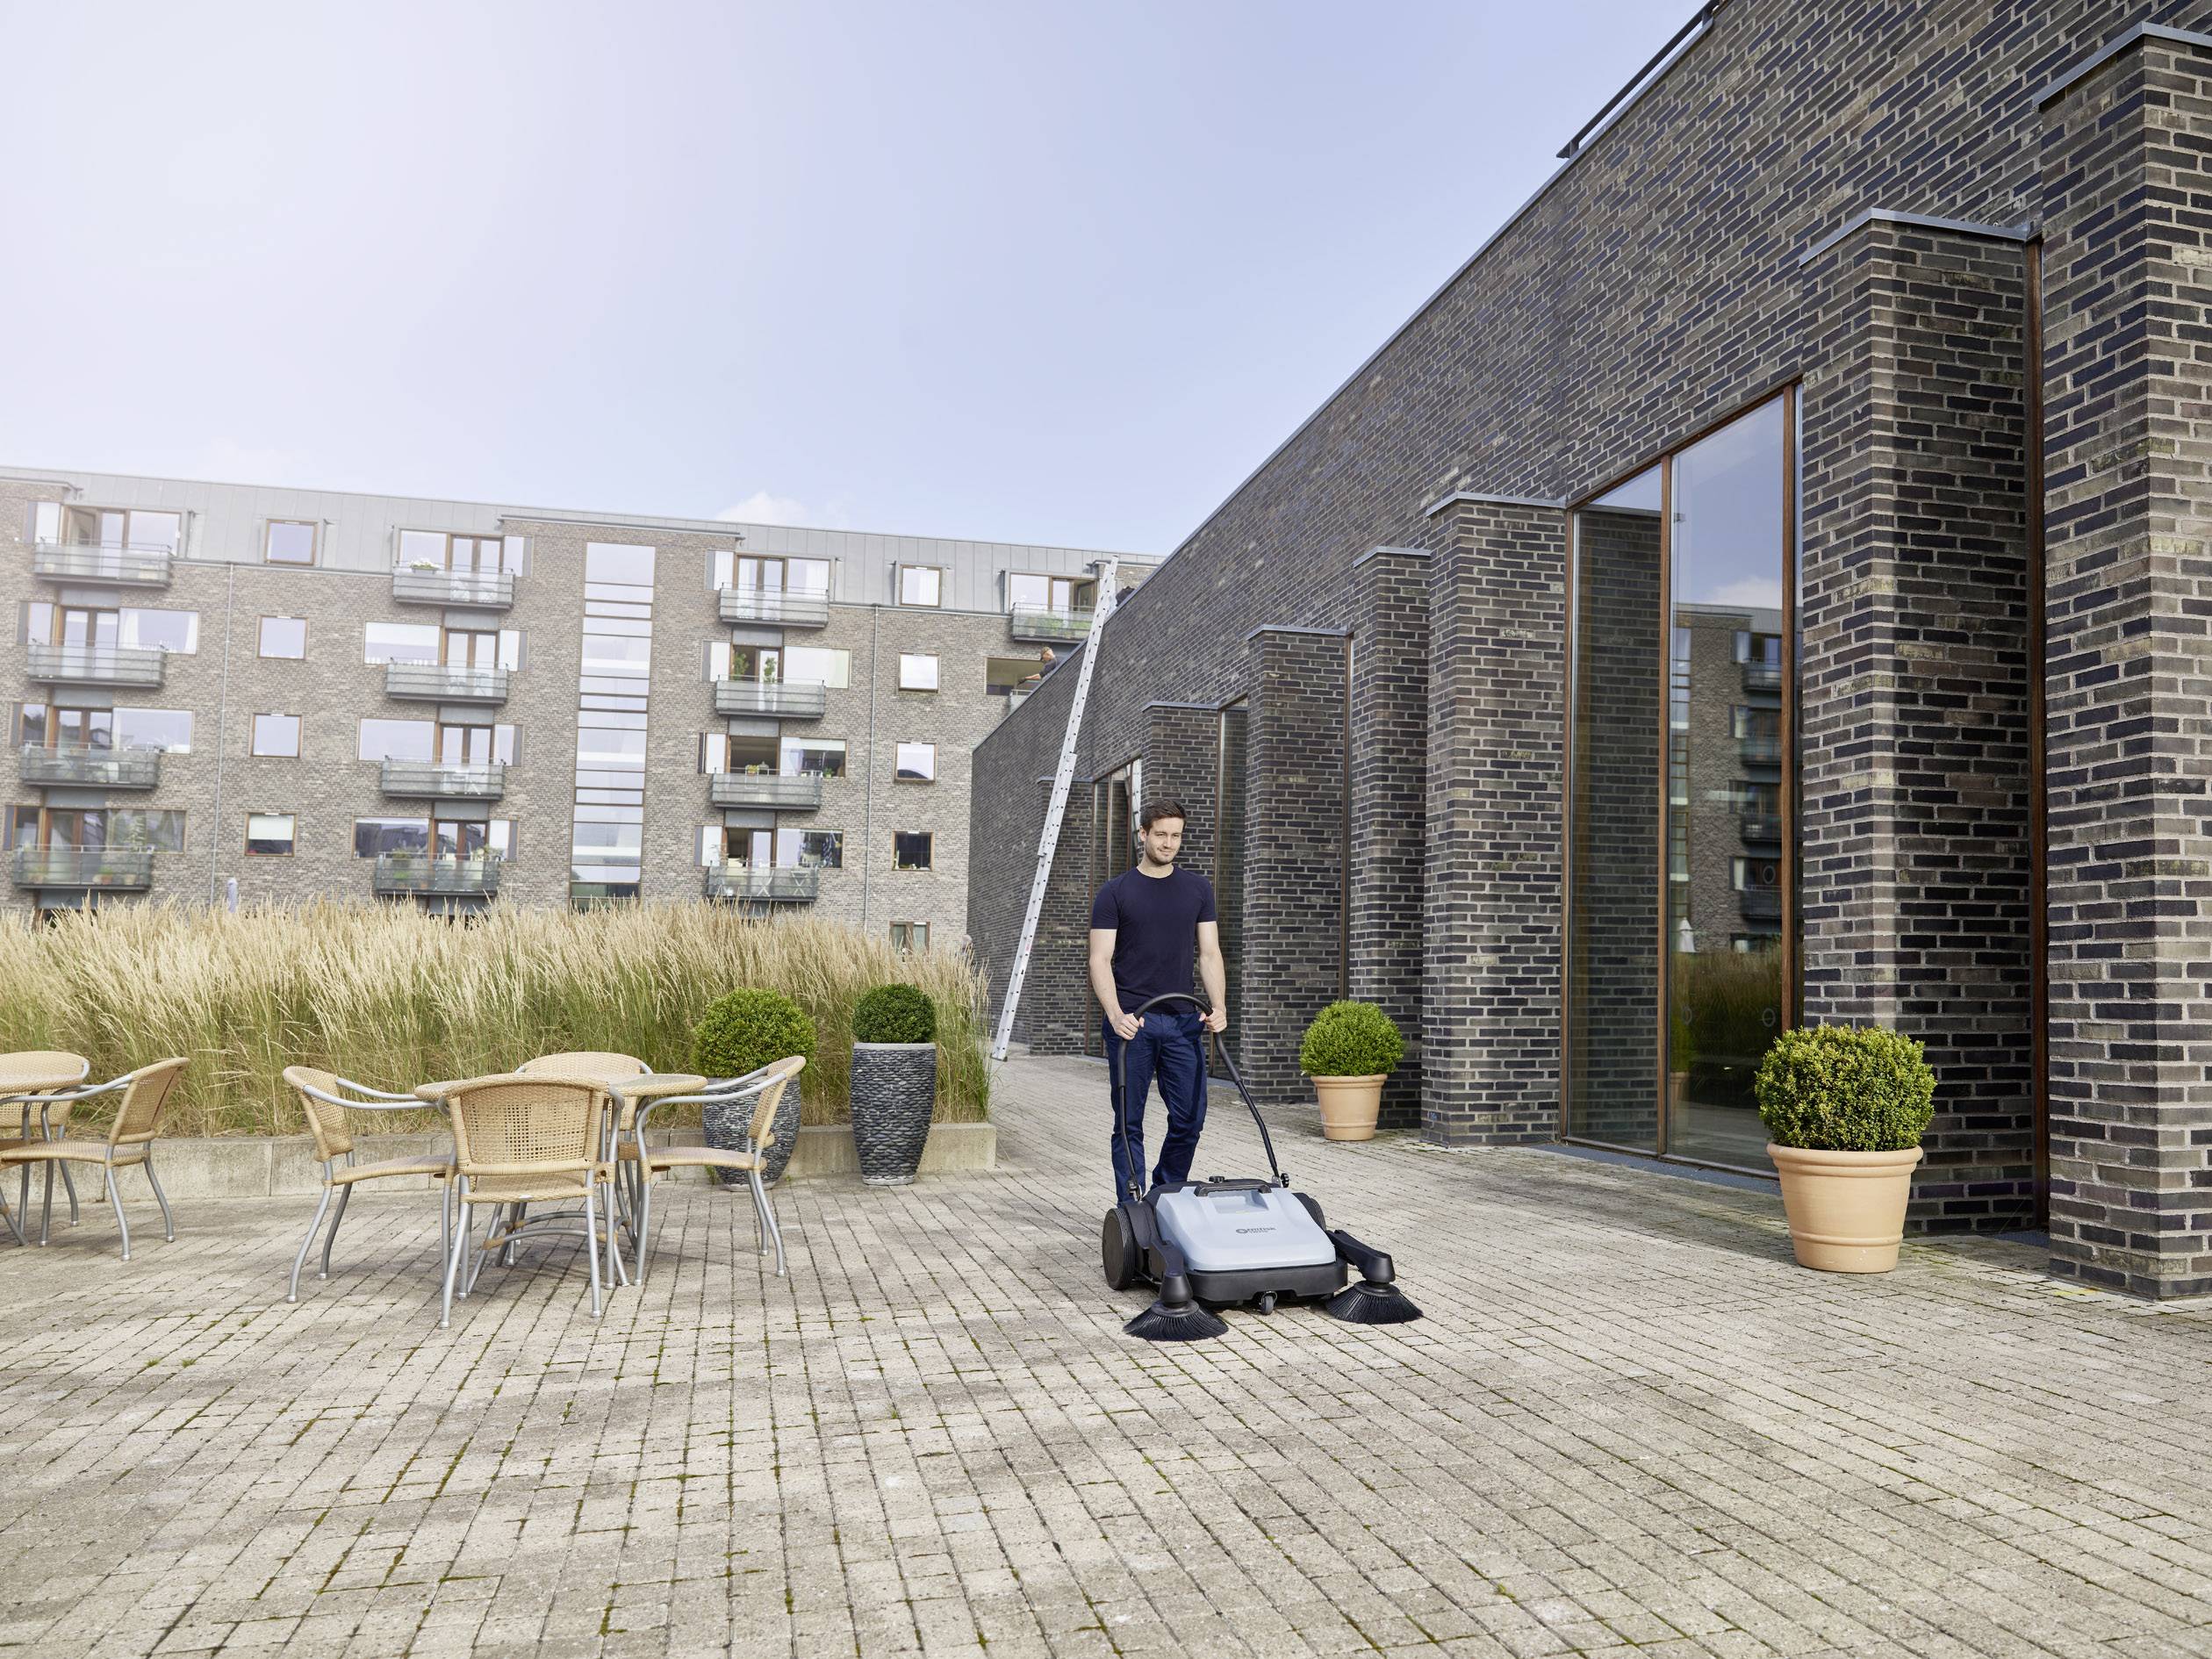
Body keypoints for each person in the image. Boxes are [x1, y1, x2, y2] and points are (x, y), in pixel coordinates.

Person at [1088, 798, 1226, 1199]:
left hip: (1184, 1022)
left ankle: (1163, 1197)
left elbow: (1210, 953)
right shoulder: (1115, 893)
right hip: (1133, 1023)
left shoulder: (1198, 890)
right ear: (1143, 834)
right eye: (1161, 834)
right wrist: (1114, 1014)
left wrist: (1218, 1007)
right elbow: (1099, 958)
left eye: (1176, 836)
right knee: (1129, 1123)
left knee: (1189, 1120)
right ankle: (1132, 1210)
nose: (1169, 843)